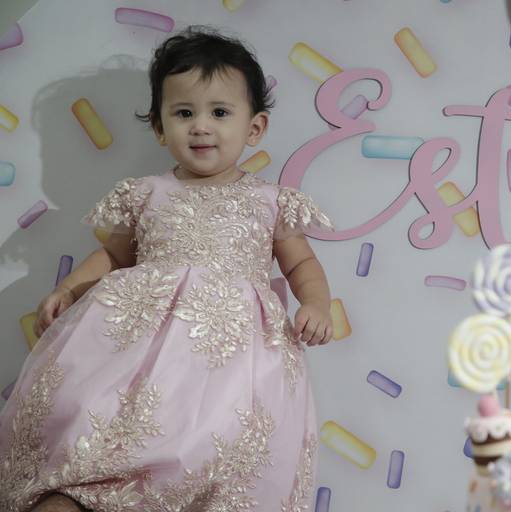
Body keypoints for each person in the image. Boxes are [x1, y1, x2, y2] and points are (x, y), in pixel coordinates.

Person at [0, 25, 334, 512]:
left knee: (214, 444)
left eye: (220, 112)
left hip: (231, 360)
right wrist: (70, 288)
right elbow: (115, 256)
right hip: (136, 352)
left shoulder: (269, 201)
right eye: (183, 113)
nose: (201, 126)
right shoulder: (147, 193)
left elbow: (301, 261)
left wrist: (317, 304)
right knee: (90, 420)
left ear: (254, 128)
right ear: (159, 127)